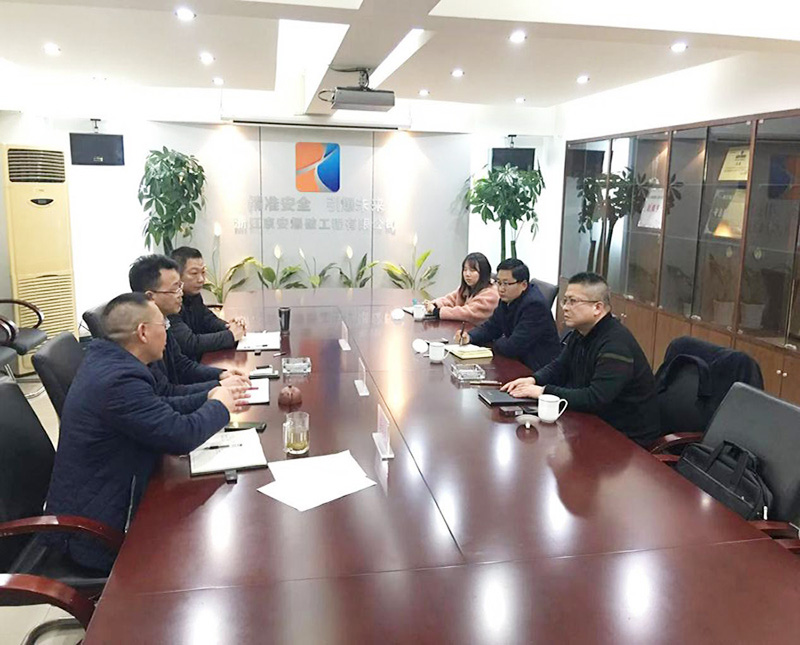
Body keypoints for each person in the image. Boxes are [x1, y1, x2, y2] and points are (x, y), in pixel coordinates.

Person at [45, 293, 237, 572]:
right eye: (164, 326)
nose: (168, 334)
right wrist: (220, 407)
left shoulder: (111, 361)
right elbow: (180, 436)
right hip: (98, 533)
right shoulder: (118, 381)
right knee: (206, 551)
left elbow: (158, 407)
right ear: (143, 332)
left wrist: (209, 395)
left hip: (115, 496)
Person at [501, 272, 660, 445]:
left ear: (597, 308)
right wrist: (533, 379)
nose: (565, 307)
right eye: (565, 300)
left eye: (573, 301)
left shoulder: (615, 344)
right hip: (594, 422)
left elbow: (595, 398)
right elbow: (560, 366)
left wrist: (542, 391)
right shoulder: (581, 332)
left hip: (627, 438)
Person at [128, 254, 249, 393]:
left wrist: (221, 374)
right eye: (175, 289)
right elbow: (166, 393)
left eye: (180, 286)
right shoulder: (142, 336)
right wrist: (218, 387)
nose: (180, 294)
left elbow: (182, 366)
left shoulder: (163, 321)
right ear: (150, 296)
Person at [455, 258, 560, 371]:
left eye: (506, 283)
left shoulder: (534, 306)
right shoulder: (508, 298)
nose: (501, 289)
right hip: (517, 360)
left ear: (523, 285)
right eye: (498, 282)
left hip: (536, 367)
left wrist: (493, 344)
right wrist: (469, 336)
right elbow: (492, 327)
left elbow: (513, 346)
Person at [169, 246, 246, 361]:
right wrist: (230, 336)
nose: (201, 279)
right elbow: (190, 343)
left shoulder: (193, 295)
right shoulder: (170, 303)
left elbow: (208, 320)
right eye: (194, 273)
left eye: (203, 272)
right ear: (176, 276)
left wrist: (230, 326)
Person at [424, 252, 499, 325]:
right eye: (465, 270)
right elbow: (451, 299)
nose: (467, 274)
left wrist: (437, 311)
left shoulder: (491, 294)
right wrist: (434, 304)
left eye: (472, 270)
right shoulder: (467, 288)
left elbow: (467, 313)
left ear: (483, 272)